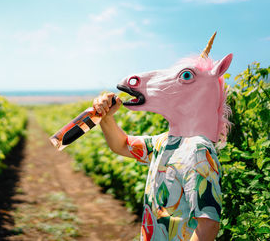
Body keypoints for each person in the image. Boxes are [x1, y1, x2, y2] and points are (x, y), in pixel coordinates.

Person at [93, 92, 222, 241]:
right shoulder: (165, 141)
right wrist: (106, 117)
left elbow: (207, 225)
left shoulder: (197, 149)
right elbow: (122, 145)